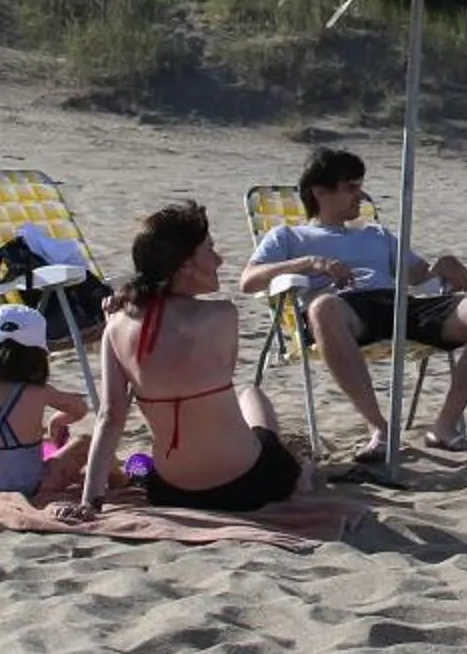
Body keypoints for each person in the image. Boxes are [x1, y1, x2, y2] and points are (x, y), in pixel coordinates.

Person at [240, 146, 467, 456]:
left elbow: (419, 275)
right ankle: (380, 428)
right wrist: (309, 263)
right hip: (346, 310)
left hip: (397, 306)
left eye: (360, 187)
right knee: (322, 307)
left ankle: (445, 425)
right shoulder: (288, 236)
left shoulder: (376, 234)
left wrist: (445, 264)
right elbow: (249, 280)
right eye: (351, 188)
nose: (360, 197)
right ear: (320, 191)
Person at [61, 200, 310, 518]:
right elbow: (220, 374)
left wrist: (90, 502)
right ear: (185, 266)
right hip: (248, 483)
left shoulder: (115, 328)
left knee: (144, 457)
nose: (219, 260)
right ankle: (304, 471)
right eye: (210, 249)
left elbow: (110, 417)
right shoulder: (222, 315)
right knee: (252, 396)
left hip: (172, 490)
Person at [0, 303, 89, 496]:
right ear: (37, 355)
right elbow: (80, 408)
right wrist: (57, 421)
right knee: (85, 443)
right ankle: (123, 481)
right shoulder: (39, 392)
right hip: (34, 487)